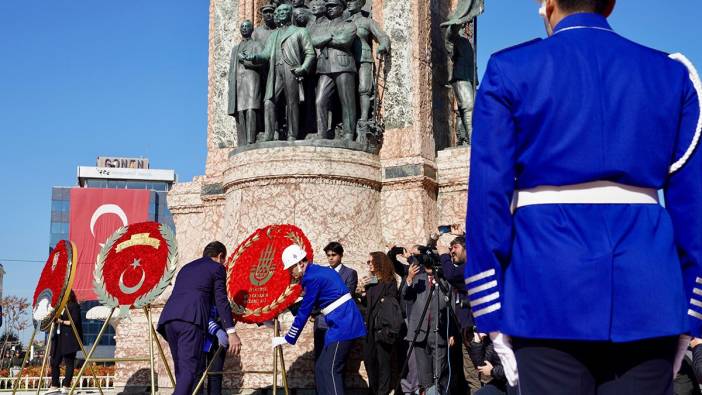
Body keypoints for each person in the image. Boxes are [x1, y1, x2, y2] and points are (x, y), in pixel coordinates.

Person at [465, 0, 702, 393]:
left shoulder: (510, 69)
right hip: (651, 295)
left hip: (545, 292)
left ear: (549, 3)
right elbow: (693, 209)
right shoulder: (671, 74)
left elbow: (489, 199)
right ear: (610, 4)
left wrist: (491, 313)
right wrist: (690, 314)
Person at [272, 244, 366, 395]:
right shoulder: (316, 272)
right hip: (339, 322)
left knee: (331, 369)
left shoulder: (311, 277)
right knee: (322, 366)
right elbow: (310, 303)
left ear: (300, 263)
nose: (290, 272)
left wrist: (289, 337)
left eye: (291, 268)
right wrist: (279, 312)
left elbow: (305, 309)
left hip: (343, 323)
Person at [157, 241, 241, 395]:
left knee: (182, 372)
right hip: (190, 321)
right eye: (224, 260)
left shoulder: (186, 268)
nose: (224, 263)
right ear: (220, 256)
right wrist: (231, 332)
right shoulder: (217, 268)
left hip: (168, 319)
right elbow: (221, 300)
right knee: (189, 371)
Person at [242, 3, 316, 141]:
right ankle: (269, 135)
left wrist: (303, 68)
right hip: (275, 70)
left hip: (291, 69)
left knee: (292, 102)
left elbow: (310, 53)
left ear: (290, 14)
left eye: (284, 11)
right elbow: (265, 54)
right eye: (279, 11)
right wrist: (254, 57)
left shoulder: (300, 31)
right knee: (269, 102)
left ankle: (292, 134)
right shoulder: (274, 34)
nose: (281, 13)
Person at [403, 249, 456, 395]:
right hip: (419, 333)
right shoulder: (418, 278)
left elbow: (451, 307)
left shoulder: (444, 281)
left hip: (438, 332)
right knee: (424, 376)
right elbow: (406, 296)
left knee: (439, 373)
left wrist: (451, 332)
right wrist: (409, 277)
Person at [310, 0, 358, 141]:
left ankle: (349, 134)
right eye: (328, 6)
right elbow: (313, 41)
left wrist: (324, 39)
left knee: (347, 101)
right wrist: (330, 37)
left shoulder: (349, 24)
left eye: (333, 6)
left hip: (343, 65)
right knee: (320, 100)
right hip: (325, 68)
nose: (329, 8)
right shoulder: (324, 25)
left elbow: (345, 41)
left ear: (342, 8)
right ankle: (322, 134)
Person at [359, 252, 399, 395]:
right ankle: (374, 391)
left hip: (383, 329)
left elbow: (391, 302)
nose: (368, 264)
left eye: (371, 261)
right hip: (369, 329)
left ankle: (383, 392)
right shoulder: (371, 282)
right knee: (370, 363)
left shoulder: (389, 282)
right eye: (367, 261)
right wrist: (363, 291)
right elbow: (367, 304)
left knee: (383, 364)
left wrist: (383, 302)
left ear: (379, 262)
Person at [313, 241, 358, 361]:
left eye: (334, 255)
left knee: (335, 362)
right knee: (320, 358)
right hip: (321, 321)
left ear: (341, 255)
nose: (331, 258)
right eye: (328, 255)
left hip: (339, 322)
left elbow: (347, 296)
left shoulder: (350, 273)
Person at [228, 20, 263, 145]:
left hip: (252, 79)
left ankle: (251, 139)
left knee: (250, 109)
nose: (244, 29)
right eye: (242, 26)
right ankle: (242, 141)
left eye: (247, 26)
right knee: (240, 111)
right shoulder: (235, 49)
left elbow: (262, 62)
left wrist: (246, 61)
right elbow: (232, 69)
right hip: (238, 83)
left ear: (251, 29)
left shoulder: (257, 44)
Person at [47, 291, 81, 394]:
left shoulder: (74, 306)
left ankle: (66, 385)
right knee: (54, 361)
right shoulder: (59, 307)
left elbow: (74, 322)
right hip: (58, 337)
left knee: (69, 362)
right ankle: (54, 384)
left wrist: (61, 321)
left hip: (69, 338)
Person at [200, 305, 230, 395]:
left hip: (219, 338)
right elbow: (200, 313)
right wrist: (216, 329)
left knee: (216, 373)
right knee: (196, 375)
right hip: (199, 336)